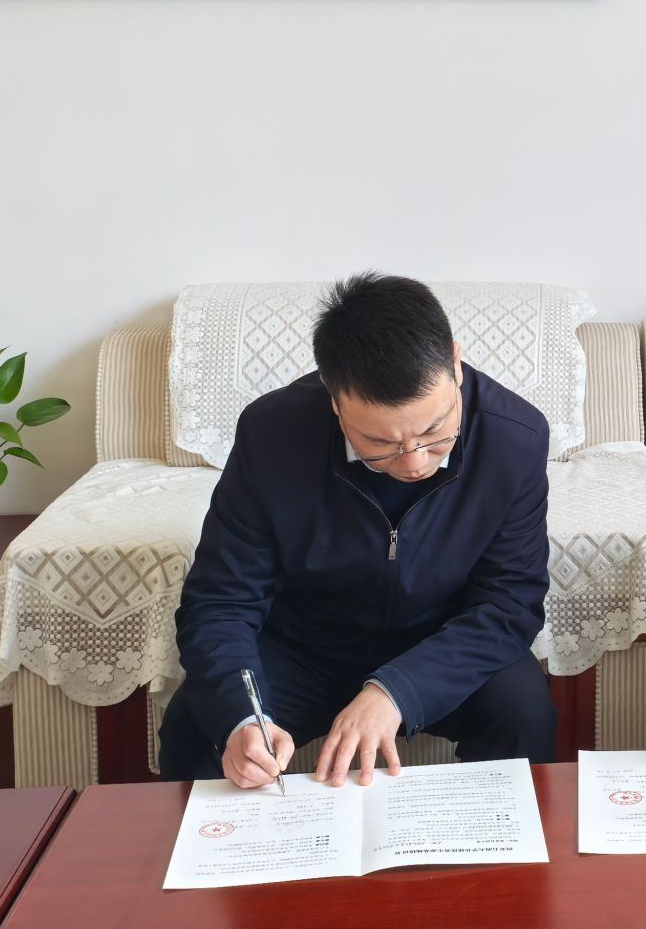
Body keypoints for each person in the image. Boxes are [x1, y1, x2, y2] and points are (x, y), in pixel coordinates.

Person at [158, 272, 555, 788]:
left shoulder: (515, 438)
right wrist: (241, 720)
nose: (414, 462)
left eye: (435, 431)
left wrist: (396, 690)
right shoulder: (271, 433)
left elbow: (509, 605)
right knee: (197, 724)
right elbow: (221, 598)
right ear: (334, 398)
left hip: (440, 641)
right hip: (303, 645)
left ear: (455, 364)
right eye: (380, 444)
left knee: (523, 710)